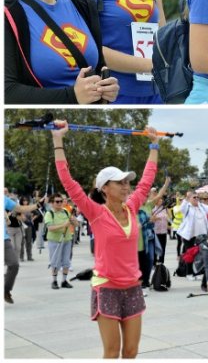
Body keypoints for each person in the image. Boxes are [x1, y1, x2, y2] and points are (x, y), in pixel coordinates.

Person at [52, 119, 160, 358]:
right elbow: (68, 183)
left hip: (133, 287)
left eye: (126, 182)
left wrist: (154, 146)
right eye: (119, 183)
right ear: (104, 188)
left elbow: (146, 182)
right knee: (111, 352)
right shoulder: (96, 213)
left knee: (131, 351)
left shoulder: (132, 208)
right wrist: (58, 140)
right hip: (106, 288)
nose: (126, 186)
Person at [4, 190, 41, 303]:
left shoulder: (4, 199)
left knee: (14, 264)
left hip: (4, 239)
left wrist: (37, 205)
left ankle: (5, 290)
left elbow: (20, 209)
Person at [45, 194, 77, 289]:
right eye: (57, 201)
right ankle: (54, 281)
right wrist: (64, 225)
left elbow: (76, 224)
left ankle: (64, 280)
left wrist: (74, 221)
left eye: (61, 201)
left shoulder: (66, 212)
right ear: (52, 203)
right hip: (55, 241)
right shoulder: (49, 214)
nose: (59, 203)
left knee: (66, 261)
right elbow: (50, 228)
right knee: (55, 261)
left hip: (67, 240)